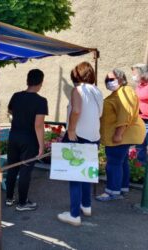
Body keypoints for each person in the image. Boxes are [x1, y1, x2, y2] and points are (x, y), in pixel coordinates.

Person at [57, 62, 103, 226]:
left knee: (75, 176)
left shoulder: (78, 90)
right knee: (86, 174)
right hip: (94, 137)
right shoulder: (97, 91)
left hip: (79, 137)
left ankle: (74, 215)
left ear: (76, 76)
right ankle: (86, 205)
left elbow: (76, 110)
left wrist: (71, 129)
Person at [97, 69, 145, 201]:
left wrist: (119, 134)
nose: (109, 82)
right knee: (121, 162)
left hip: (120, 136)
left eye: (112, 79)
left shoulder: (124, 91)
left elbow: (125, 113)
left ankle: (112, 192)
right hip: (122, 135)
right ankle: (121, 188)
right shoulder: (118, 93)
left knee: (113, 163)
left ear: (121, 78)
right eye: (107, 80)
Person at [5, 69, 48, 211]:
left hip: (14, 136)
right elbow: (38, 125)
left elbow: (10, 110)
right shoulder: (41, 101)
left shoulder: (16, 96)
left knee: (12, 167)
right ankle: (22, 203)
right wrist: (41, 146)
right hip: (29, 139)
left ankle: (9, 198)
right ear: (40, 83)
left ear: (27, 80)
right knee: (25, 171)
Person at [132, 64, 148, 165]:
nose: (133, 76)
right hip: (140, 119)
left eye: (135, 74)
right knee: (139, 145)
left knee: (143, 144)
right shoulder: (139, 85)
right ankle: (140, 168)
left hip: (147, 120)